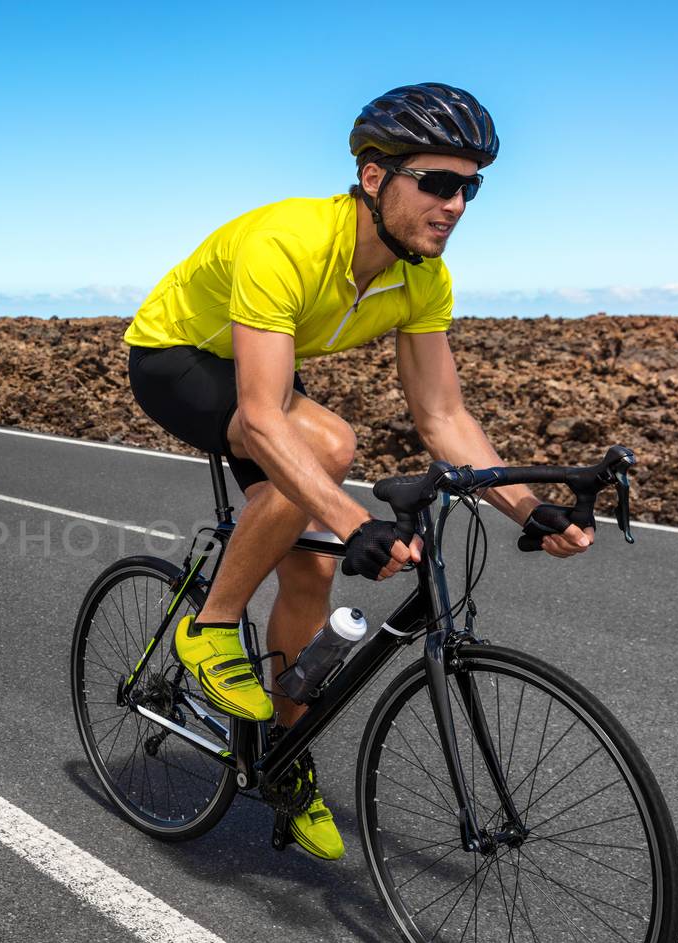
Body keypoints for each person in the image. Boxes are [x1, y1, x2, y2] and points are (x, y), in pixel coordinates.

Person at [124, 82, 594, 861]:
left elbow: (443, 418)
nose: (457, 204)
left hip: (259, 376)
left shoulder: (423, 278)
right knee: (331, 444)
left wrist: (529, 508)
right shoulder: (289, 241)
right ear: (374, 178)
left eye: (470, 187)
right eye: (438, 182)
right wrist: (356, 521)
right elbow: (261, 419)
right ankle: (207, 630)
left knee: (311, 574)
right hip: (176, 358)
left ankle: (282, 762)